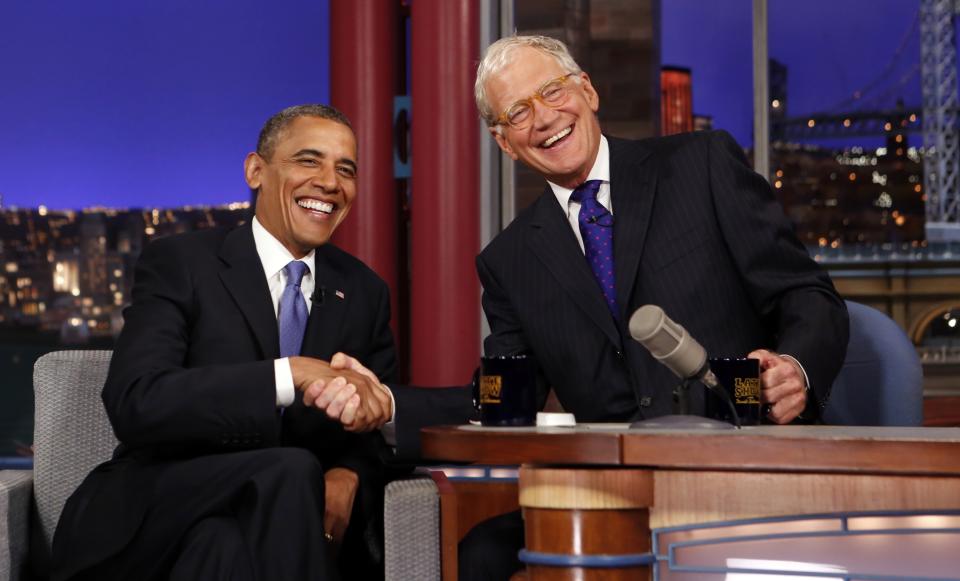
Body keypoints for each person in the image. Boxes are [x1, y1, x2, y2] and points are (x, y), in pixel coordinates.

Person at [465, 35, 849, 579]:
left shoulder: (702, 164)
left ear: (587, 91)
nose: (545, 117)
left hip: (745, 469)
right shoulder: (507, 261)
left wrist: (797, 370)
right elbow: (499, 394)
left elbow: (807, 295)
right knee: (482, 553)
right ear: (504, 141)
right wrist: (385, 400)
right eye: (519, 112)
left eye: (552, 91)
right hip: (611, 493)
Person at [50, 104, 397, 581]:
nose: (329, 182)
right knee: (292, 470)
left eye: (346, 169)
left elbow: (376, 430)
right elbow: (136, 401)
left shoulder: (364, 292)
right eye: (308, 160)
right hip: (157, 510)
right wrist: (288, 374)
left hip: (255, 534)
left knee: (223, 547)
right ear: (256, 171)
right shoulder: (181, 263)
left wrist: (349, 475)